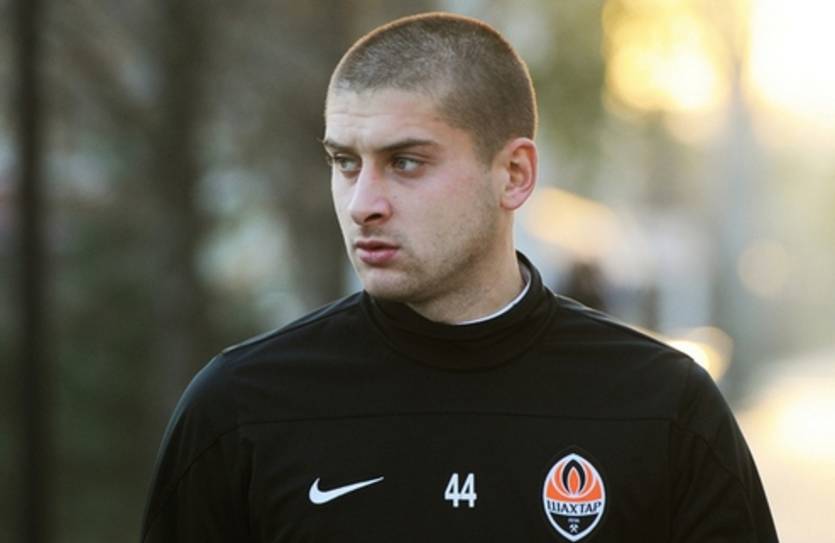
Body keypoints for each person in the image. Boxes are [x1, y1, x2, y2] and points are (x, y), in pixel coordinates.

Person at [140, 12, 778, 542]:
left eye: (405, 162)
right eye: (345, 162)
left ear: (514, 175)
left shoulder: (662, 406)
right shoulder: (241, 407)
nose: (363, 203)